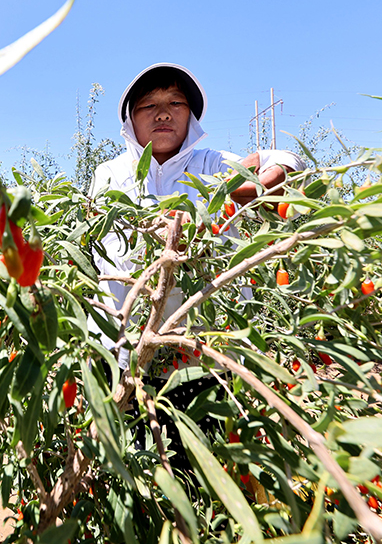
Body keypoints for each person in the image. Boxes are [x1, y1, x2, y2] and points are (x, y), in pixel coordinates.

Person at [87, 62, 305, 471]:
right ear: (129, 121)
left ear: (192, 116)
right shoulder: (109, 174)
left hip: (200, 358)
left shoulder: (211, 164)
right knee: (129, 465)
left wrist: (250, 186)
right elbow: (98, 247)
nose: (163, 113)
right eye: (148, 105)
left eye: (175, 103)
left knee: (196, 467)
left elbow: (286, 160)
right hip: (124, 353)